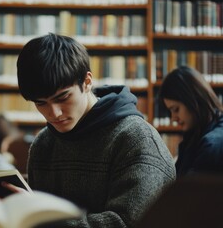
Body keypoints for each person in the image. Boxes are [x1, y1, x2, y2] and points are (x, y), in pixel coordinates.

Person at [13, 33, 176, 227]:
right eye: (41, 103)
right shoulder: (43, 144)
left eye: (63, 97)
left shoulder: (138, 140)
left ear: (87, 82)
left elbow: (126, 223)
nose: (53, 113)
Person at [158, 66, 223, 177]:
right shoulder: (195, 135)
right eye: (170, 111)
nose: (173, 118)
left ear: (193, 100)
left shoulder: (211, 145)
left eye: (176, 109)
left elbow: (190, 193)